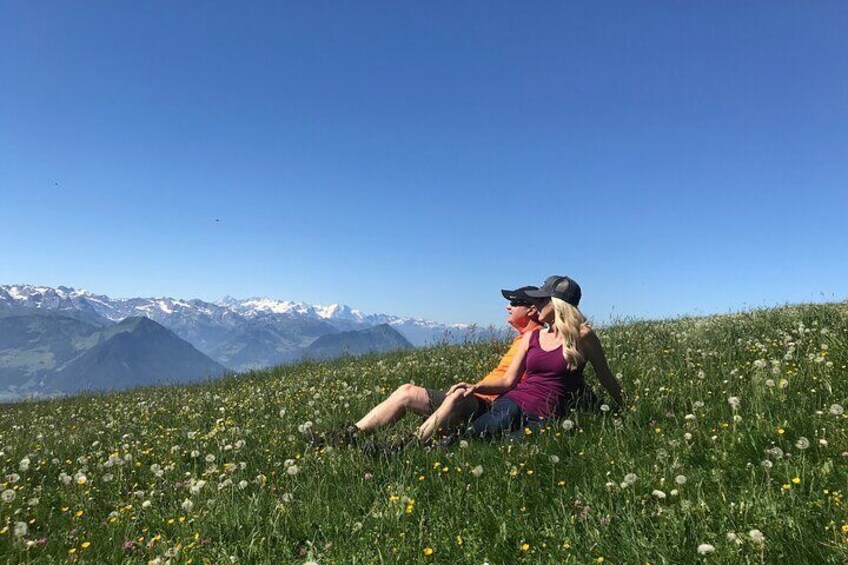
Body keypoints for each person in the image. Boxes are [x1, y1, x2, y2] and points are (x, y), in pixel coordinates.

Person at [313, 286, 545, 447]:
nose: (508, 307)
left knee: (449, 397)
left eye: (514, 302)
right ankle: (349, 435)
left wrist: (476, 388)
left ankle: (405, 445)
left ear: (532, 310)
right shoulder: (522, 338)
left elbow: (514, 382)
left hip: (489, 406)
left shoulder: (538, 340)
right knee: (406, 391)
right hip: (477, 398)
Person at [449, 275, 624, 440]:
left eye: (541, 300)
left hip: (544, 414)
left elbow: (605, 376)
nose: (535, 304)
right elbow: (508, 381)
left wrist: (626, 407)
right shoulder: (532, 337)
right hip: (513, 401)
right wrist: (476, 387)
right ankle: (445, 444)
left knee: (513, 444)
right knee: (477, 435)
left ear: (557, 304)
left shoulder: (583, 336)